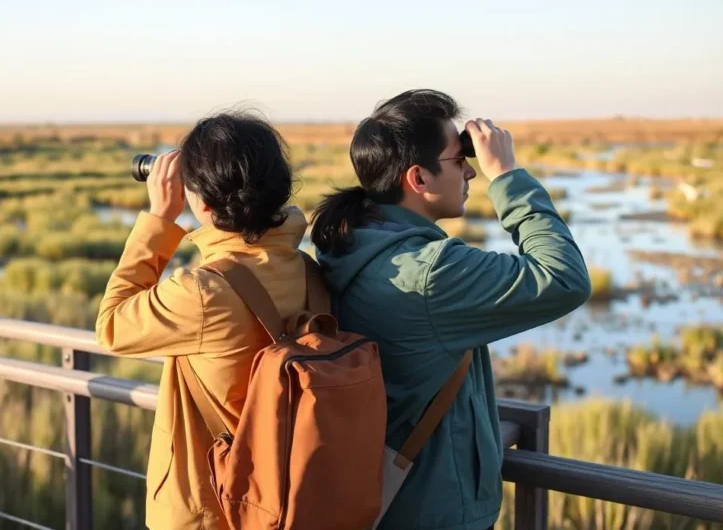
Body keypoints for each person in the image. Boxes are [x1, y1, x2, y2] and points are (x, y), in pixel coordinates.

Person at [310, 89, 592, 530]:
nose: (470, 172)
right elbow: (564, 278)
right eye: (460, 160)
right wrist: (507, 174)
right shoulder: (432, 273)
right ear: (419, 179)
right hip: (436, 511)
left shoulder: (348, 246)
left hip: (383, 500)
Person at [95, 112, 309, 530]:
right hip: (291, 500)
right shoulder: (308, 271)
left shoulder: (202, 292)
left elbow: (111, 326)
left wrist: (160, 218)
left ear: (205, 203)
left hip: (212, 510)